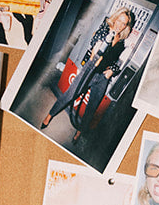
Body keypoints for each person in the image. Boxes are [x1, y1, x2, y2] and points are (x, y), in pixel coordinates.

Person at [41, 8, 135, 139]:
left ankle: (80, 130)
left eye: (123, 23)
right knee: (70, 95)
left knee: (92, 106)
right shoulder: (105, 29)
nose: (119, 25)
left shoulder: (121, 42)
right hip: (90, 69)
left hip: (103, 77)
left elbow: (115, 61)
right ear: (115, 18)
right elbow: (94, 44)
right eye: (118, 20)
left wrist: (112, 70)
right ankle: (49, 115)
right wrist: (98, 48)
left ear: (126, 26)